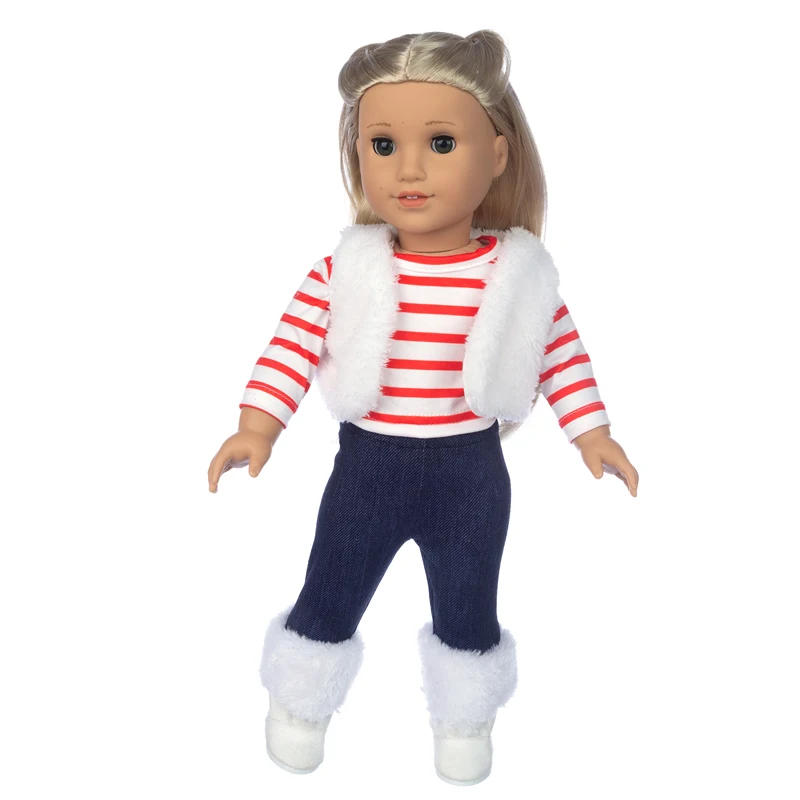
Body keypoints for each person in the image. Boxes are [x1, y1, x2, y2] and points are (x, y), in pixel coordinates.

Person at [208, 29, 639, 786]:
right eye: (383, 145)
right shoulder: (346, 268)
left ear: (497, 154)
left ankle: (464, 724)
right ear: (359, 155)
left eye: (441, 143)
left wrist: (592, 434)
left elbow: (561, 355)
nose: (408, 169)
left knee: (468, 605)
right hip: (366, 471)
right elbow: (290, 347)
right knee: (331, 587)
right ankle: (300, 706)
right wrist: (257, 425)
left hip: (470, 474)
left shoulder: (518, 275)